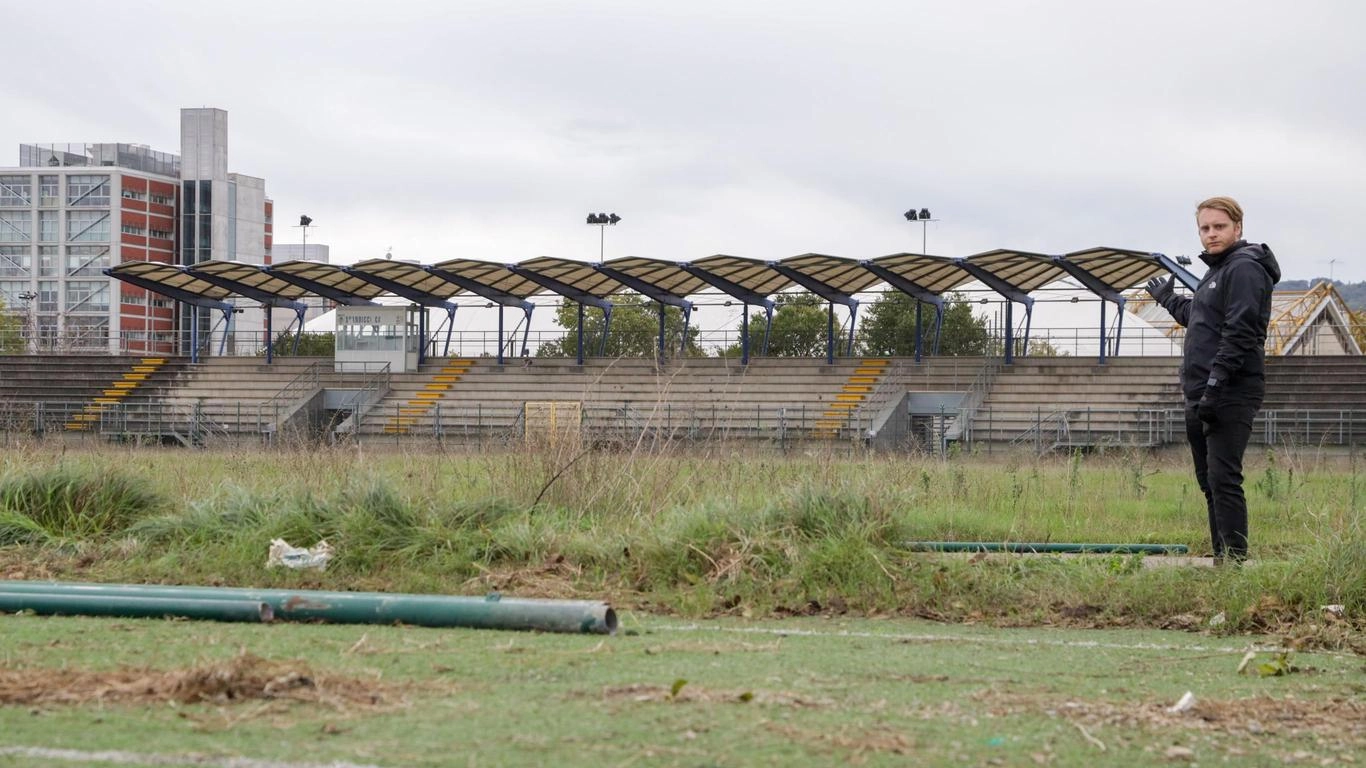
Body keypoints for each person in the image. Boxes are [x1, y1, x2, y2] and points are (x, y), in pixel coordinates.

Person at [1145, 197, 1280, 563]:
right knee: (1209, 483)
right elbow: (1201, 318)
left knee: (1224, 479)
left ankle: (1234, 564)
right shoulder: (1217, 271)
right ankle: (1221, 559)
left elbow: (1239, 332)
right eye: (1205, 228)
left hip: (1229, 390)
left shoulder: (1245, 268)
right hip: (1200, 391)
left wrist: (1216, 386)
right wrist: (1169, 299)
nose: (1210, 234)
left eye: (1218, 227)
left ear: (1237, 227)